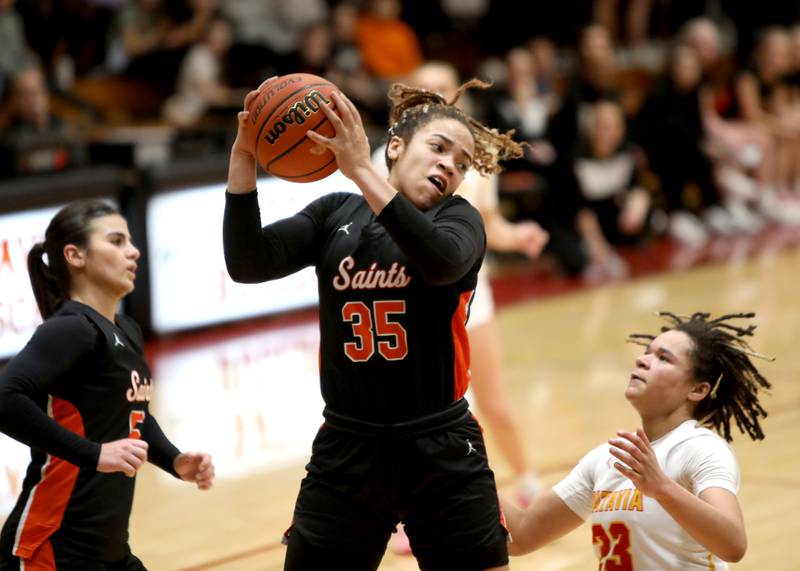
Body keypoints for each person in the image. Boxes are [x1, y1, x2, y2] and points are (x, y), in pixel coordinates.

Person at [224, 75, 523, 569]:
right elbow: (247, 262)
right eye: (439, 147)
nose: (449, 165)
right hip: (348, 445)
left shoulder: (460, 220)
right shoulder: (333, 214)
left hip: (441, 445)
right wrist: (244, 160)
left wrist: (362, 169)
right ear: (397, 147)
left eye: (462, 163)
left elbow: (440, 262)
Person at [0, 200, 215, 570]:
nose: (133, 251)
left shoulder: (125, 331)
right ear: (75, 256)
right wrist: (95, 454)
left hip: (109, 552)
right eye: (116, 241)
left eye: (129, 241)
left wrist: (174, 460)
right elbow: (4, 399)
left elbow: (133, 414)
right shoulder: (71, 328)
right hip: (50, 550)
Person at [501, 311, 773, 570]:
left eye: (664, 358)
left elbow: (734, 543)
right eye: (647, 353)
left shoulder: (701, 448)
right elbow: (524, 534)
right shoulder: (606, 458)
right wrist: (468, 455)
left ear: (698, 389)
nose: (643, 361)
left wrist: (662, 488)